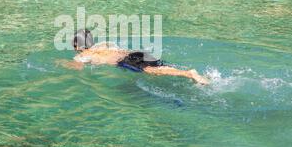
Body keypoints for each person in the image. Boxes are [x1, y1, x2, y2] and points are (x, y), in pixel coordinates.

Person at [62, 29, 210, 85]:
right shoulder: (103, 45)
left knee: (153, 71)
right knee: (160, 67)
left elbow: (78, 68)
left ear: (77, 46)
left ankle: (189, 73)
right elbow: (117, 49)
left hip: (126, 61)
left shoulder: (83, 55)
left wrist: (61, 63)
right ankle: (188, 74)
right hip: (135, 53)